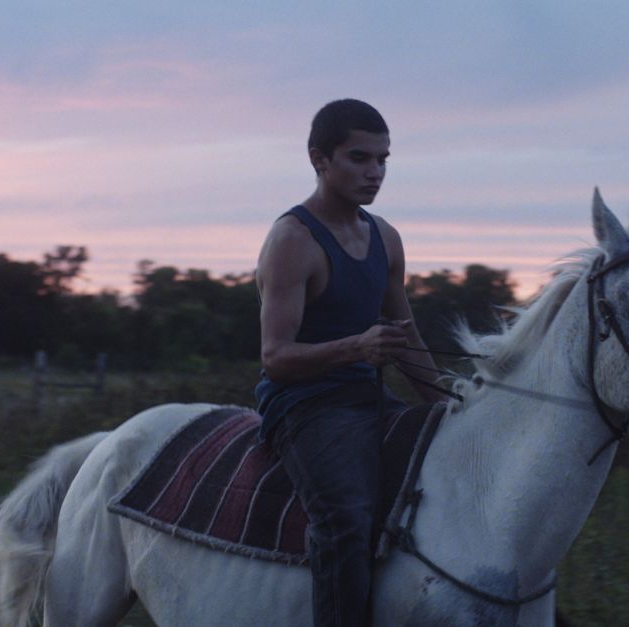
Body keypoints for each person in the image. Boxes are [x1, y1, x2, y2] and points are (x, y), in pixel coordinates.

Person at [255, 99, 443, 626]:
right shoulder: (292, 240)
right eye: (359, 158)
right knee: (345, 522)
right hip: (306, 403)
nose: (375, 173)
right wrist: (356, 348)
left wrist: (452, 403)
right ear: (319, 159)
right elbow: (276, 359)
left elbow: (406, 341)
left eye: (383, 159)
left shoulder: (386, 238)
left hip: (369, 396)